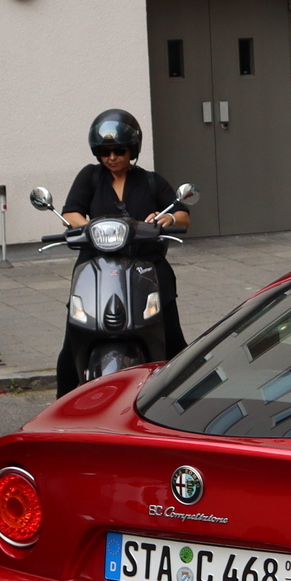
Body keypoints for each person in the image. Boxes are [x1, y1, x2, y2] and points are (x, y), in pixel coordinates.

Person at [56, 109, 190, 392]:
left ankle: (180, 398)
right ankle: (62, 407)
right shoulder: (90, 177)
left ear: (132, 150)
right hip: (97, 267)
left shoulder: (151, 181)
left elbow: (182, 213)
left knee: (174, 342)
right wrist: (88, 228)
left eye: (119, 150)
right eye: (105, 151)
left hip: (146, 268)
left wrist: (168, 219)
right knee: (72, 345)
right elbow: (71, 213)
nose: (112, 157)